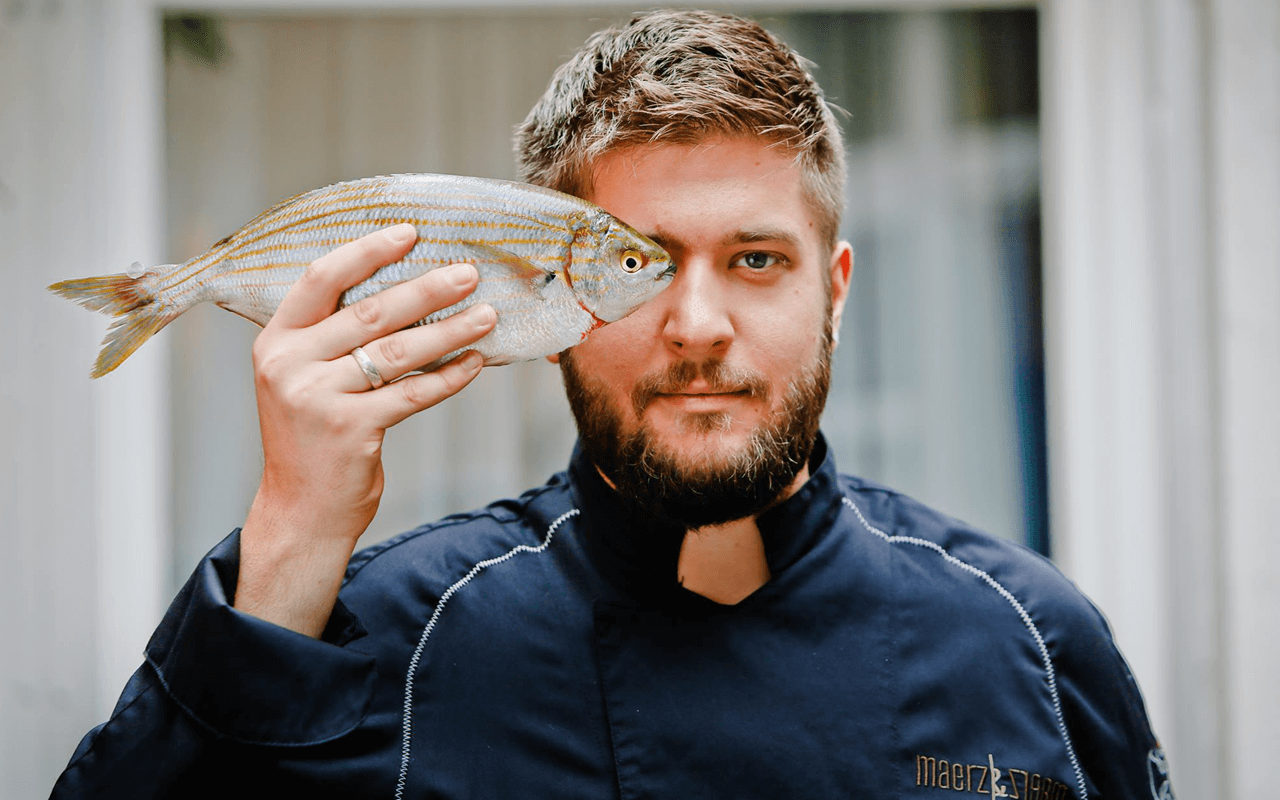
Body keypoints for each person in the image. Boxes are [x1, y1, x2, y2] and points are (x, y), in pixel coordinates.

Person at [52, 9, 1171, 799]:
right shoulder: (386, 632)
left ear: (832, 292)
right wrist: (292, 531)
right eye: (647, 260)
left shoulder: (1028, 639)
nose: (694, 323)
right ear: (535, 289)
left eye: (753, 260)